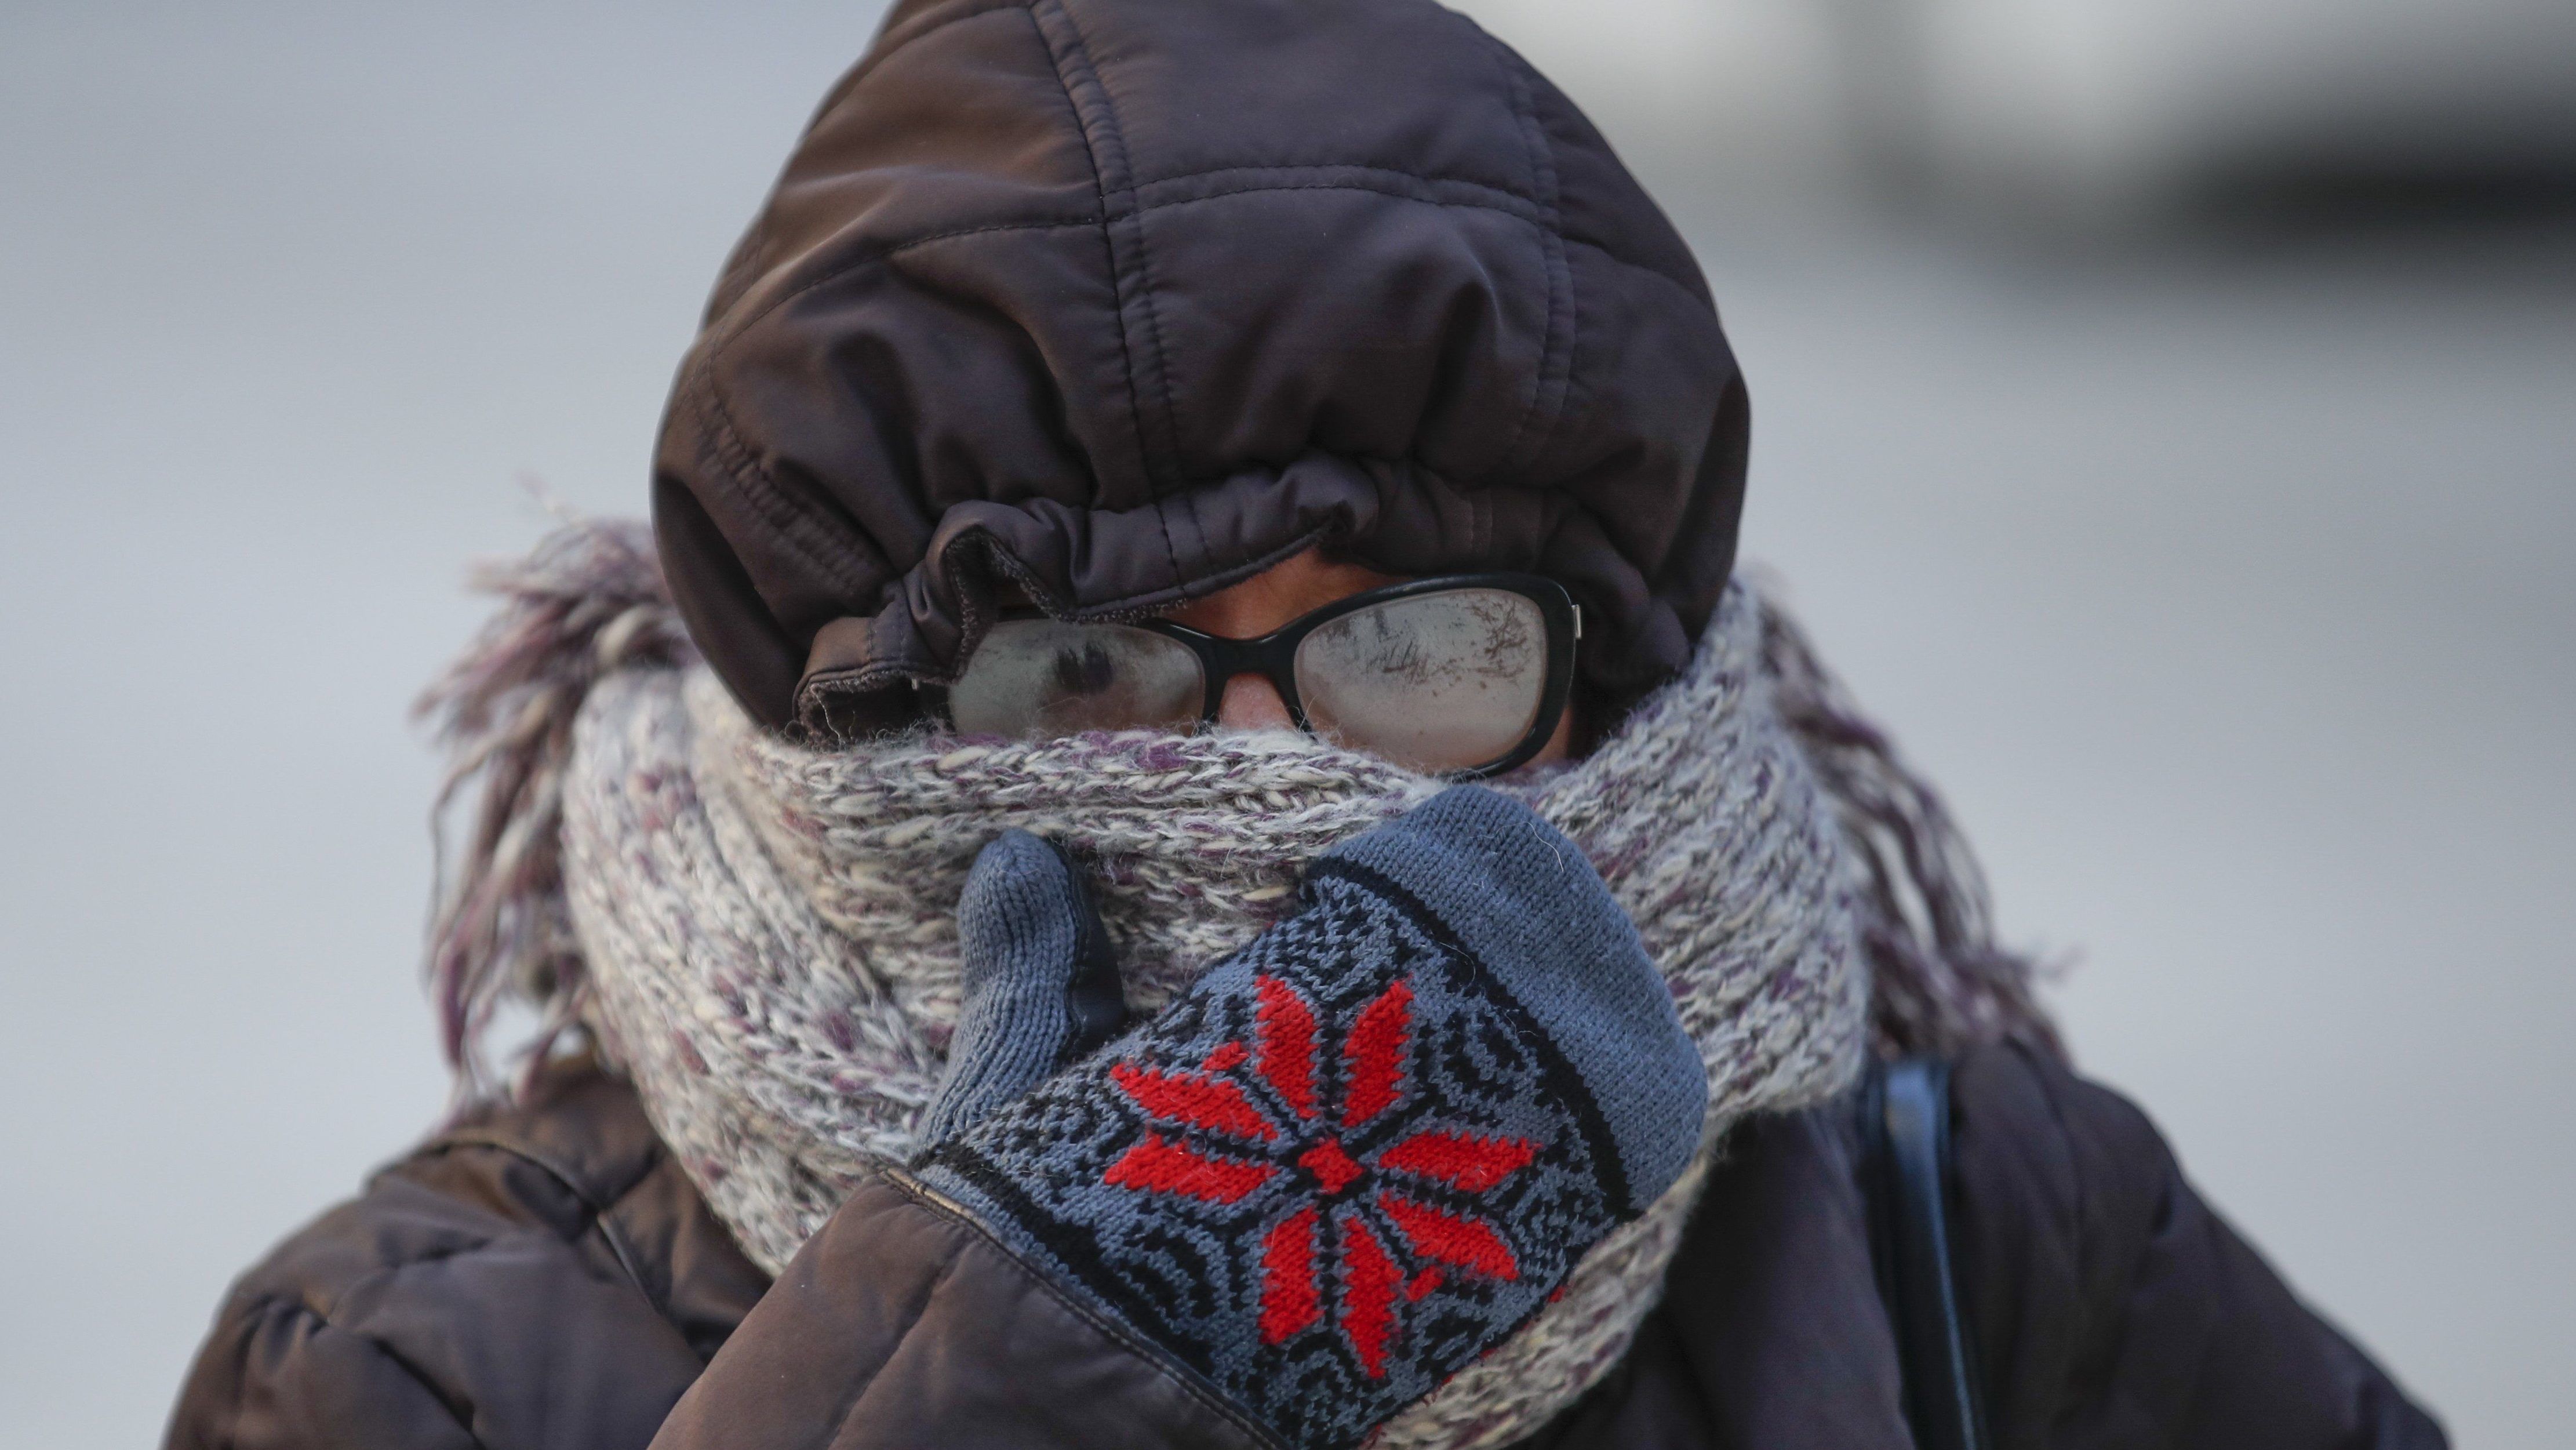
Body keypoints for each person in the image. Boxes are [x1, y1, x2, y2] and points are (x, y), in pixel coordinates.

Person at [163, 1, 2445, 1447]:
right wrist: (1009, 1358)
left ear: (1604, 672)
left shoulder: (1981, 1259)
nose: (1272, 778)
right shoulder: (424, 1368)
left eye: (1415, 651)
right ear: (851, 720)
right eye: (1089, 673)